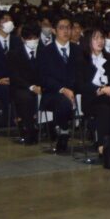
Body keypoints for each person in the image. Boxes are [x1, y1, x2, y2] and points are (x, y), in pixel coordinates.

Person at [37, 15, 81, 152]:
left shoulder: (77, 50)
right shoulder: (45, 51)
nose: (66, 31)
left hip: (74, 90)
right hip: (53, 93)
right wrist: (62, 89)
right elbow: (43, 78)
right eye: (61, 28)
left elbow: (82, 73)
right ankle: (64, 131)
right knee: (63, 102)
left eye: (68, 27)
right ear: (54, 30)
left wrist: (72, 89)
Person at [75, 26, 110, 156]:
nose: (100, 41)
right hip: (91, 99)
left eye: (102, 38)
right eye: (95, 38)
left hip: (109, 97)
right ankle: (102, 145)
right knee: (104, 109)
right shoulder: (82, 60)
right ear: (88, 41)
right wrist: (98, 89)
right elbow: (80, 84)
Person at [8, 21, 42, 144]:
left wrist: (41, 86)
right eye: (30, 38)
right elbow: (15, 76)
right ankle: (29, 129)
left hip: (40, 85)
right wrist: (31, 87)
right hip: (22, 87)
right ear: (23, 39)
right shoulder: (14, 54)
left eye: (35, 38)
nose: (33, 41)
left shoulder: (44, 52)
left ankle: (51, 128)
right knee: (26, 98)